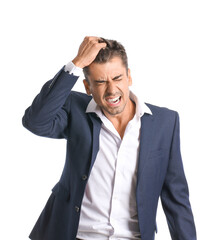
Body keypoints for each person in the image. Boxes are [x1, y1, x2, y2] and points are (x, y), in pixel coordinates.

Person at [22, 36, 197, 240]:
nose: (112, 90)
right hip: (75, 235)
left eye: (117, 78)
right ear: (88, 87)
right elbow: (35, 121)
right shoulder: (75, 110)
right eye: (101, 82)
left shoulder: (165, 122)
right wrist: (76, 63)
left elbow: (176, 197)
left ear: (129, 77)